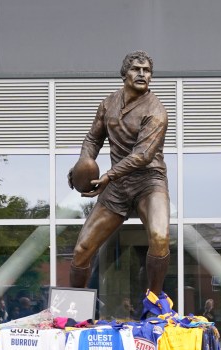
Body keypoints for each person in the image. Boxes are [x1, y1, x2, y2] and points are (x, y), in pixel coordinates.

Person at [67, 51, 171, 311]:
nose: (142, 74)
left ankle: (153, 301)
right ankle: (74, 310)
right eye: (136, 69)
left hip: (149, 181)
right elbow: (93, 138)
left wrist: (107, 176)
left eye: (147, 70)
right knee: (82, 249)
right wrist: (83, 162)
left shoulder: (156, 111)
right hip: (118, 186)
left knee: (159, 236)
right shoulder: (108, 103)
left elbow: (143, 155)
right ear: (124, 73)